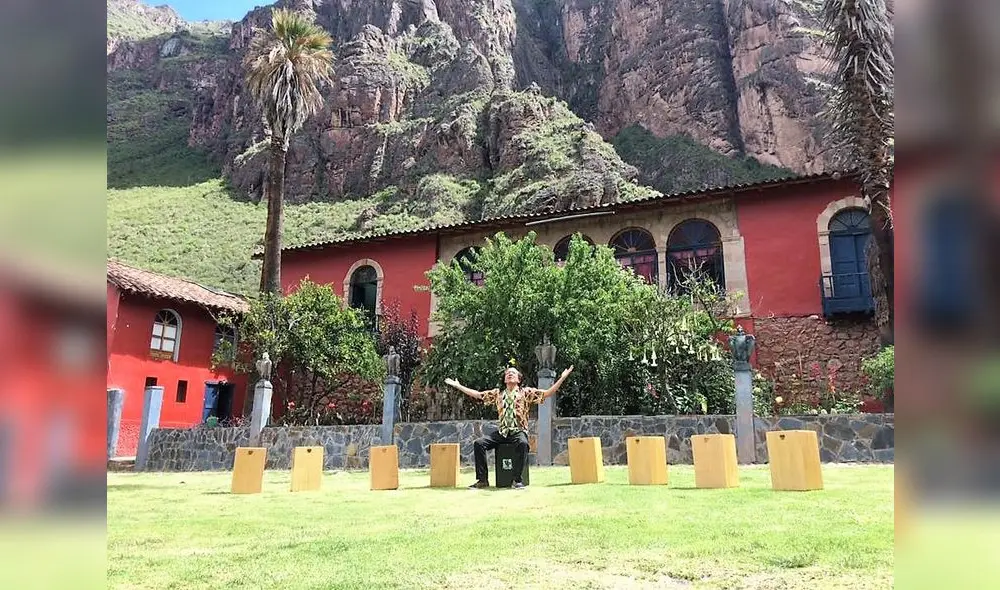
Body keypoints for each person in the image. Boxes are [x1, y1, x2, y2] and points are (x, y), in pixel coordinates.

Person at [445, 364, 574, 489]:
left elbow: (547, 393)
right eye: (507, 373)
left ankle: (517, 480)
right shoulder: (498, 394)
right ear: (504, 379)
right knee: (479, 443)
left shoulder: (525, 392)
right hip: (502, 432)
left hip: (518, 431)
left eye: (513, 373)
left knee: (523, 444)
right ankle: (482, 480)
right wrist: (458, 386)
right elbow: (478, 395)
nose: (509, 374)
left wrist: (562, 378)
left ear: (519, 379)